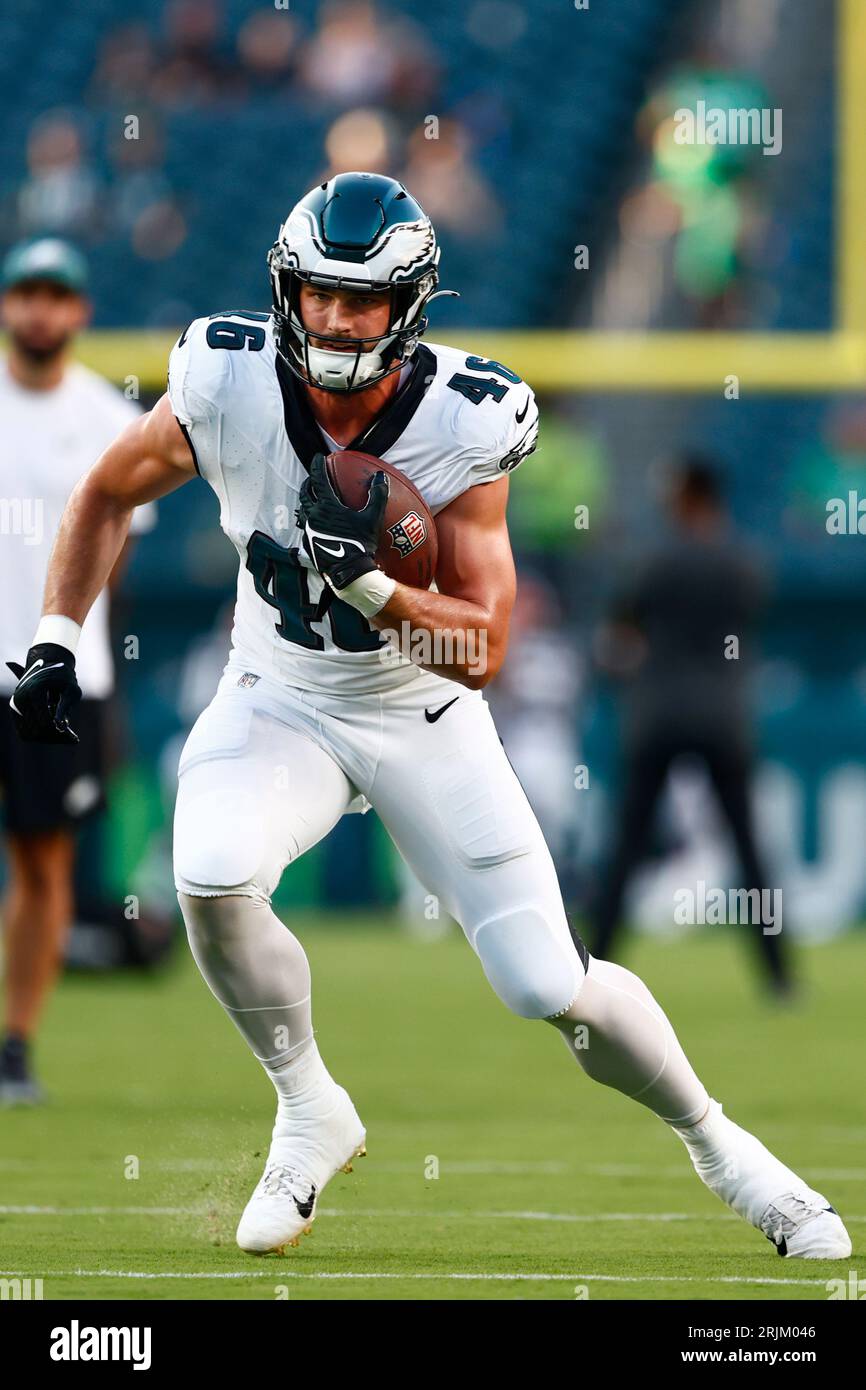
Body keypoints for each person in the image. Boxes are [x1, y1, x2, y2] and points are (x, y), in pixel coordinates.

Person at [9, 174, 849, 1261]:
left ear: (407, 306)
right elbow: (103, 493)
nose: (335, 318)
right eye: (317, 293)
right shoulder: (223, 376)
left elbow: (482, 649)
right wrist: (58, 642)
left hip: (423, 711)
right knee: (209, 873)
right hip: (280, 692)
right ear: (286, 289)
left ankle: (722, 1145)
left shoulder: (464, 418)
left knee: (549, 982)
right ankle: (308, 1106)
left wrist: (377, 590)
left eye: (362, 300)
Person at [0, 237, 155, 1103]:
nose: (41, 310)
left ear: (80, 310)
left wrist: (94, 659)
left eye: (57, 295)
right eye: (26, 292)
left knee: (42, 861)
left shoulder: (105, 417)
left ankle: (14, 1044)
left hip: (59, 679)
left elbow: (117, 553)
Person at [592, 457, 791, 995]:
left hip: (657, 714)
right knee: (749, 848)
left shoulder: (653, 562)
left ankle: (591, 969)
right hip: (724, 717)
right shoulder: (745, 563)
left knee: (627, 846)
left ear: (687, 496)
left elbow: (618, 641)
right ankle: (778, 977)